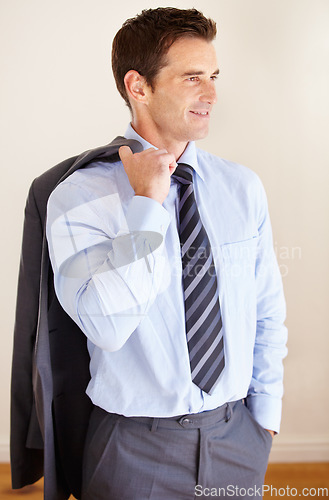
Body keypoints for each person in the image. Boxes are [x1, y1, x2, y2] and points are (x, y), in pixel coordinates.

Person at [19, 7, 288, 500]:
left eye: (213, 76)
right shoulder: (78, 196)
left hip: (236, 442)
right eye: (191, 78)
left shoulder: (241, 187)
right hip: (133, 452)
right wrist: (147, 206)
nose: (210, 93)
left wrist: (263, 420)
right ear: (138, 87)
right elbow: (107, 325)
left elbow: (266, 309)